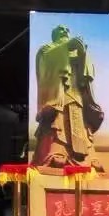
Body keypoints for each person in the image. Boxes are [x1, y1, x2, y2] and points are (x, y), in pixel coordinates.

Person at [32, 25, 104, 170]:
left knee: (81, 126)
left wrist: (83, 54)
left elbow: (86, 76)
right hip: (58, 96)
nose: (65, 31)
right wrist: (66, 47)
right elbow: (47, 62)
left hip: (77, 95)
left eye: (66, 30)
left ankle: (87, 157)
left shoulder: (74, 50)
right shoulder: (47, 49)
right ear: (54, 36)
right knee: (57, 123)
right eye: (61, 29)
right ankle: (56, 152)